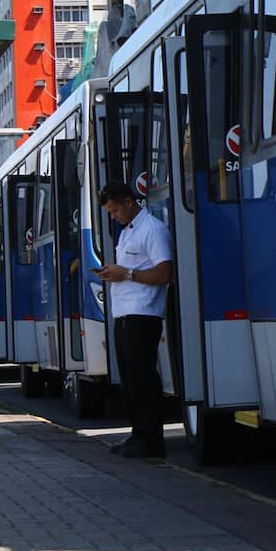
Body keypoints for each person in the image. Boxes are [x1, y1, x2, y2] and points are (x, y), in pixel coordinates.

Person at [95, 182, 173, 459]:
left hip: (143, 314)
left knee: (143, 378)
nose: (113, 216)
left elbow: (164, 273)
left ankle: (151, 438)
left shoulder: (152, 229)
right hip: (125, 314)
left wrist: (126, 274)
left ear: (129, 202)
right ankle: (139, 433)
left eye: (115, 210)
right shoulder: (128, 232)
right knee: (131, 380)